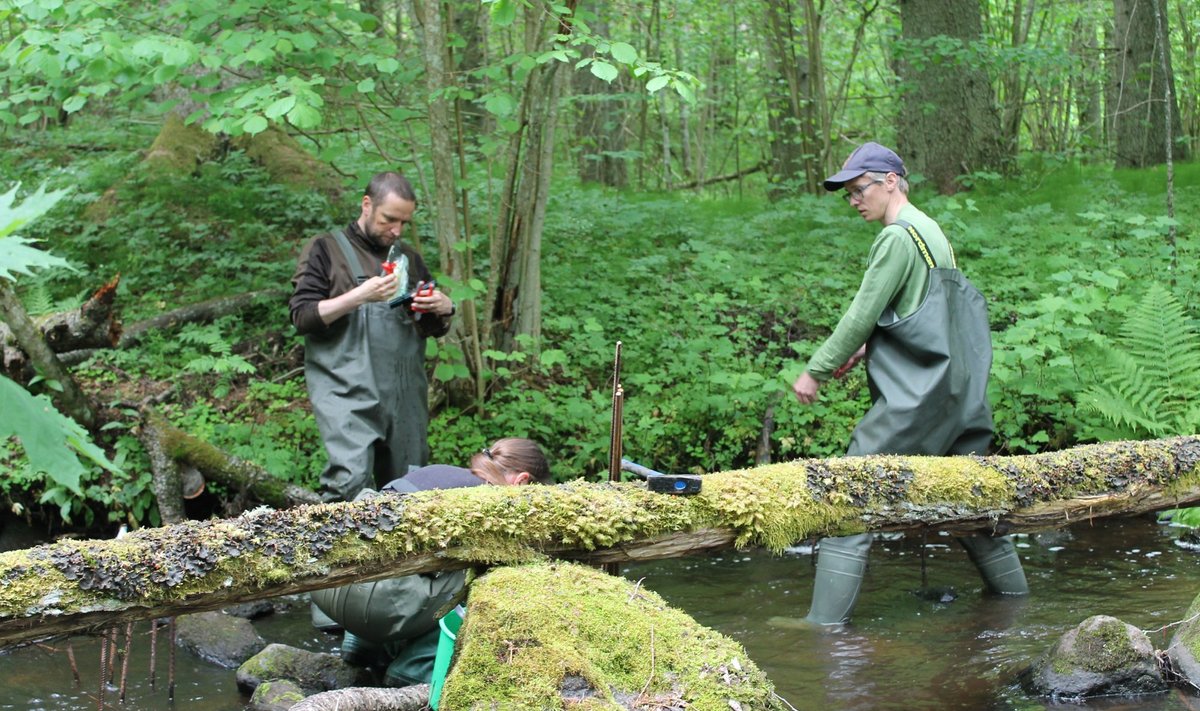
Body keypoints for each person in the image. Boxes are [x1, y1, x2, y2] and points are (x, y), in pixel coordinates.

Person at [791, 142, 1028, 625]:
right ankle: (1018, 607)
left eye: (859, 189)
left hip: (918, 397)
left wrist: (816, 369)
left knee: (850, 497)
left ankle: (820, 631)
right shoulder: (931, 232)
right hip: (960, 396)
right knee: (974, 505)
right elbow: (921, 309)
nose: (854, 201)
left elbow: (862, 313)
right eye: (848, 195)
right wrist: (867, 347)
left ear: (891, 181)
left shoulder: (897, 238)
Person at [312, 437, 552, 687]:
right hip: (372, 604)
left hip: (324, 587)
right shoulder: (491, 503)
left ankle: (363, 648)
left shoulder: (437, 473)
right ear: (522, 481)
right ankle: (414, 670)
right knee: (492, 579)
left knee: (397, 560)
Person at [290, 171, 455, 504]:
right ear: (367, 205)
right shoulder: (327, 250)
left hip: (404, 394)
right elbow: (302, 317)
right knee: (349, 484)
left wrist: (443, 307)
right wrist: (358, 296)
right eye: (389, 220)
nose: (396, 230)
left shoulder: (407, 257)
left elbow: (430, 328)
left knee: (410, 487)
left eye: (404, 223)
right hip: (347, 392)